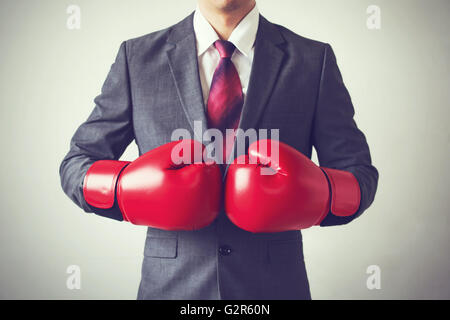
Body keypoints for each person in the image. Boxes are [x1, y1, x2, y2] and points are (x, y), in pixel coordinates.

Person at [60, 0, 378, 299]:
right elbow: (77, 164)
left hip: (274, 289)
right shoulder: (137, 58)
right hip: (171, 288)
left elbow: (359, 176)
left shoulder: (312, 60)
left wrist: (311, 195)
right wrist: (129, 191)